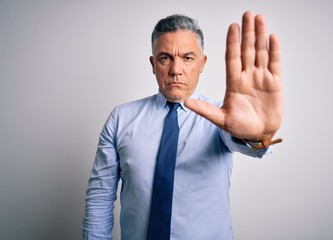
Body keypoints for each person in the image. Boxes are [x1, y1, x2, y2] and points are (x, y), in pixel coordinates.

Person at [82, 11, 283, 240]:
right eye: (165, 57)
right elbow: (100, 198)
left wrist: (258, 135)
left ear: (202, 63)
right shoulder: (121, 119)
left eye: (187, 58)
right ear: (153, 63)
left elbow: (242, 139)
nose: (176, 69)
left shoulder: (223, 118)